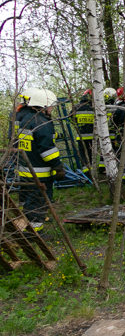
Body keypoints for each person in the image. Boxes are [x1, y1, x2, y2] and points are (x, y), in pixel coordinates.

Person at [15, 88, 65, 231]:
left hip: (24, 170)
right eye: (50, 106)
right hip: (39, 173)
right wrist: (58, 166)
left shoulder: (22, 118)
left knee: (27, 200)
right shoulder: (41, 121)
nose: (51, 108)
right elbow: (47, 150)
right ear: (42, 105)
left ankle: (23, 224)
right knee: (38, 203)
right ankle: (35, 232)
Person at [73, 89, 95, 174]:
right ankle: (93, 173)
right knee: (91, 156)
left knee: (83, 156)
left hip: (81, 136)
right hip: (92, 137)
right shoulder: (94, 108)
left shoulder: (76, 107)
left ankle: (86, 174)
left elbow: (72, 119)